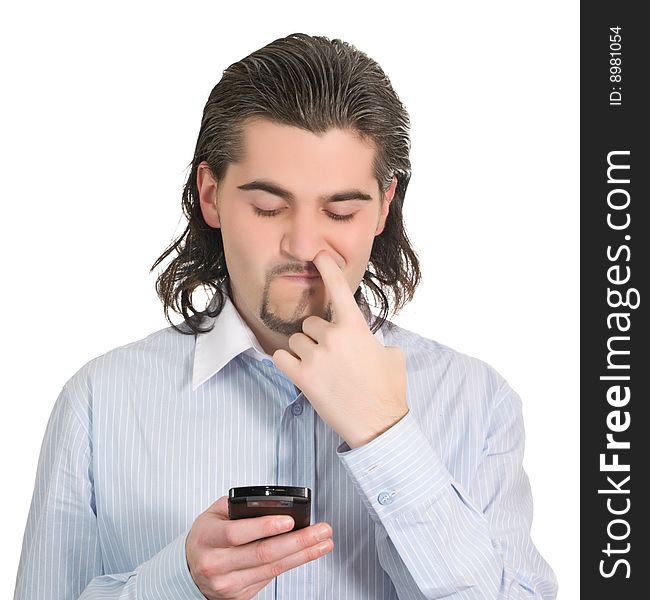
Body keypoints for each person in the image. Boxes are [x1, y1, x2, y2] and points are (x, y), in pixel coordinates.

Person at [14, 33, 558, 599]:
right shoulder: (100, 403)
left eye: (340, 210)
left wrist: (386, 436)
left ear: (383, 207)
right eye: (269, 206)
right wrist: (181, 582)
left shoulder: (477, 401)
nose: (303, 243)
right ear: (211, 195)